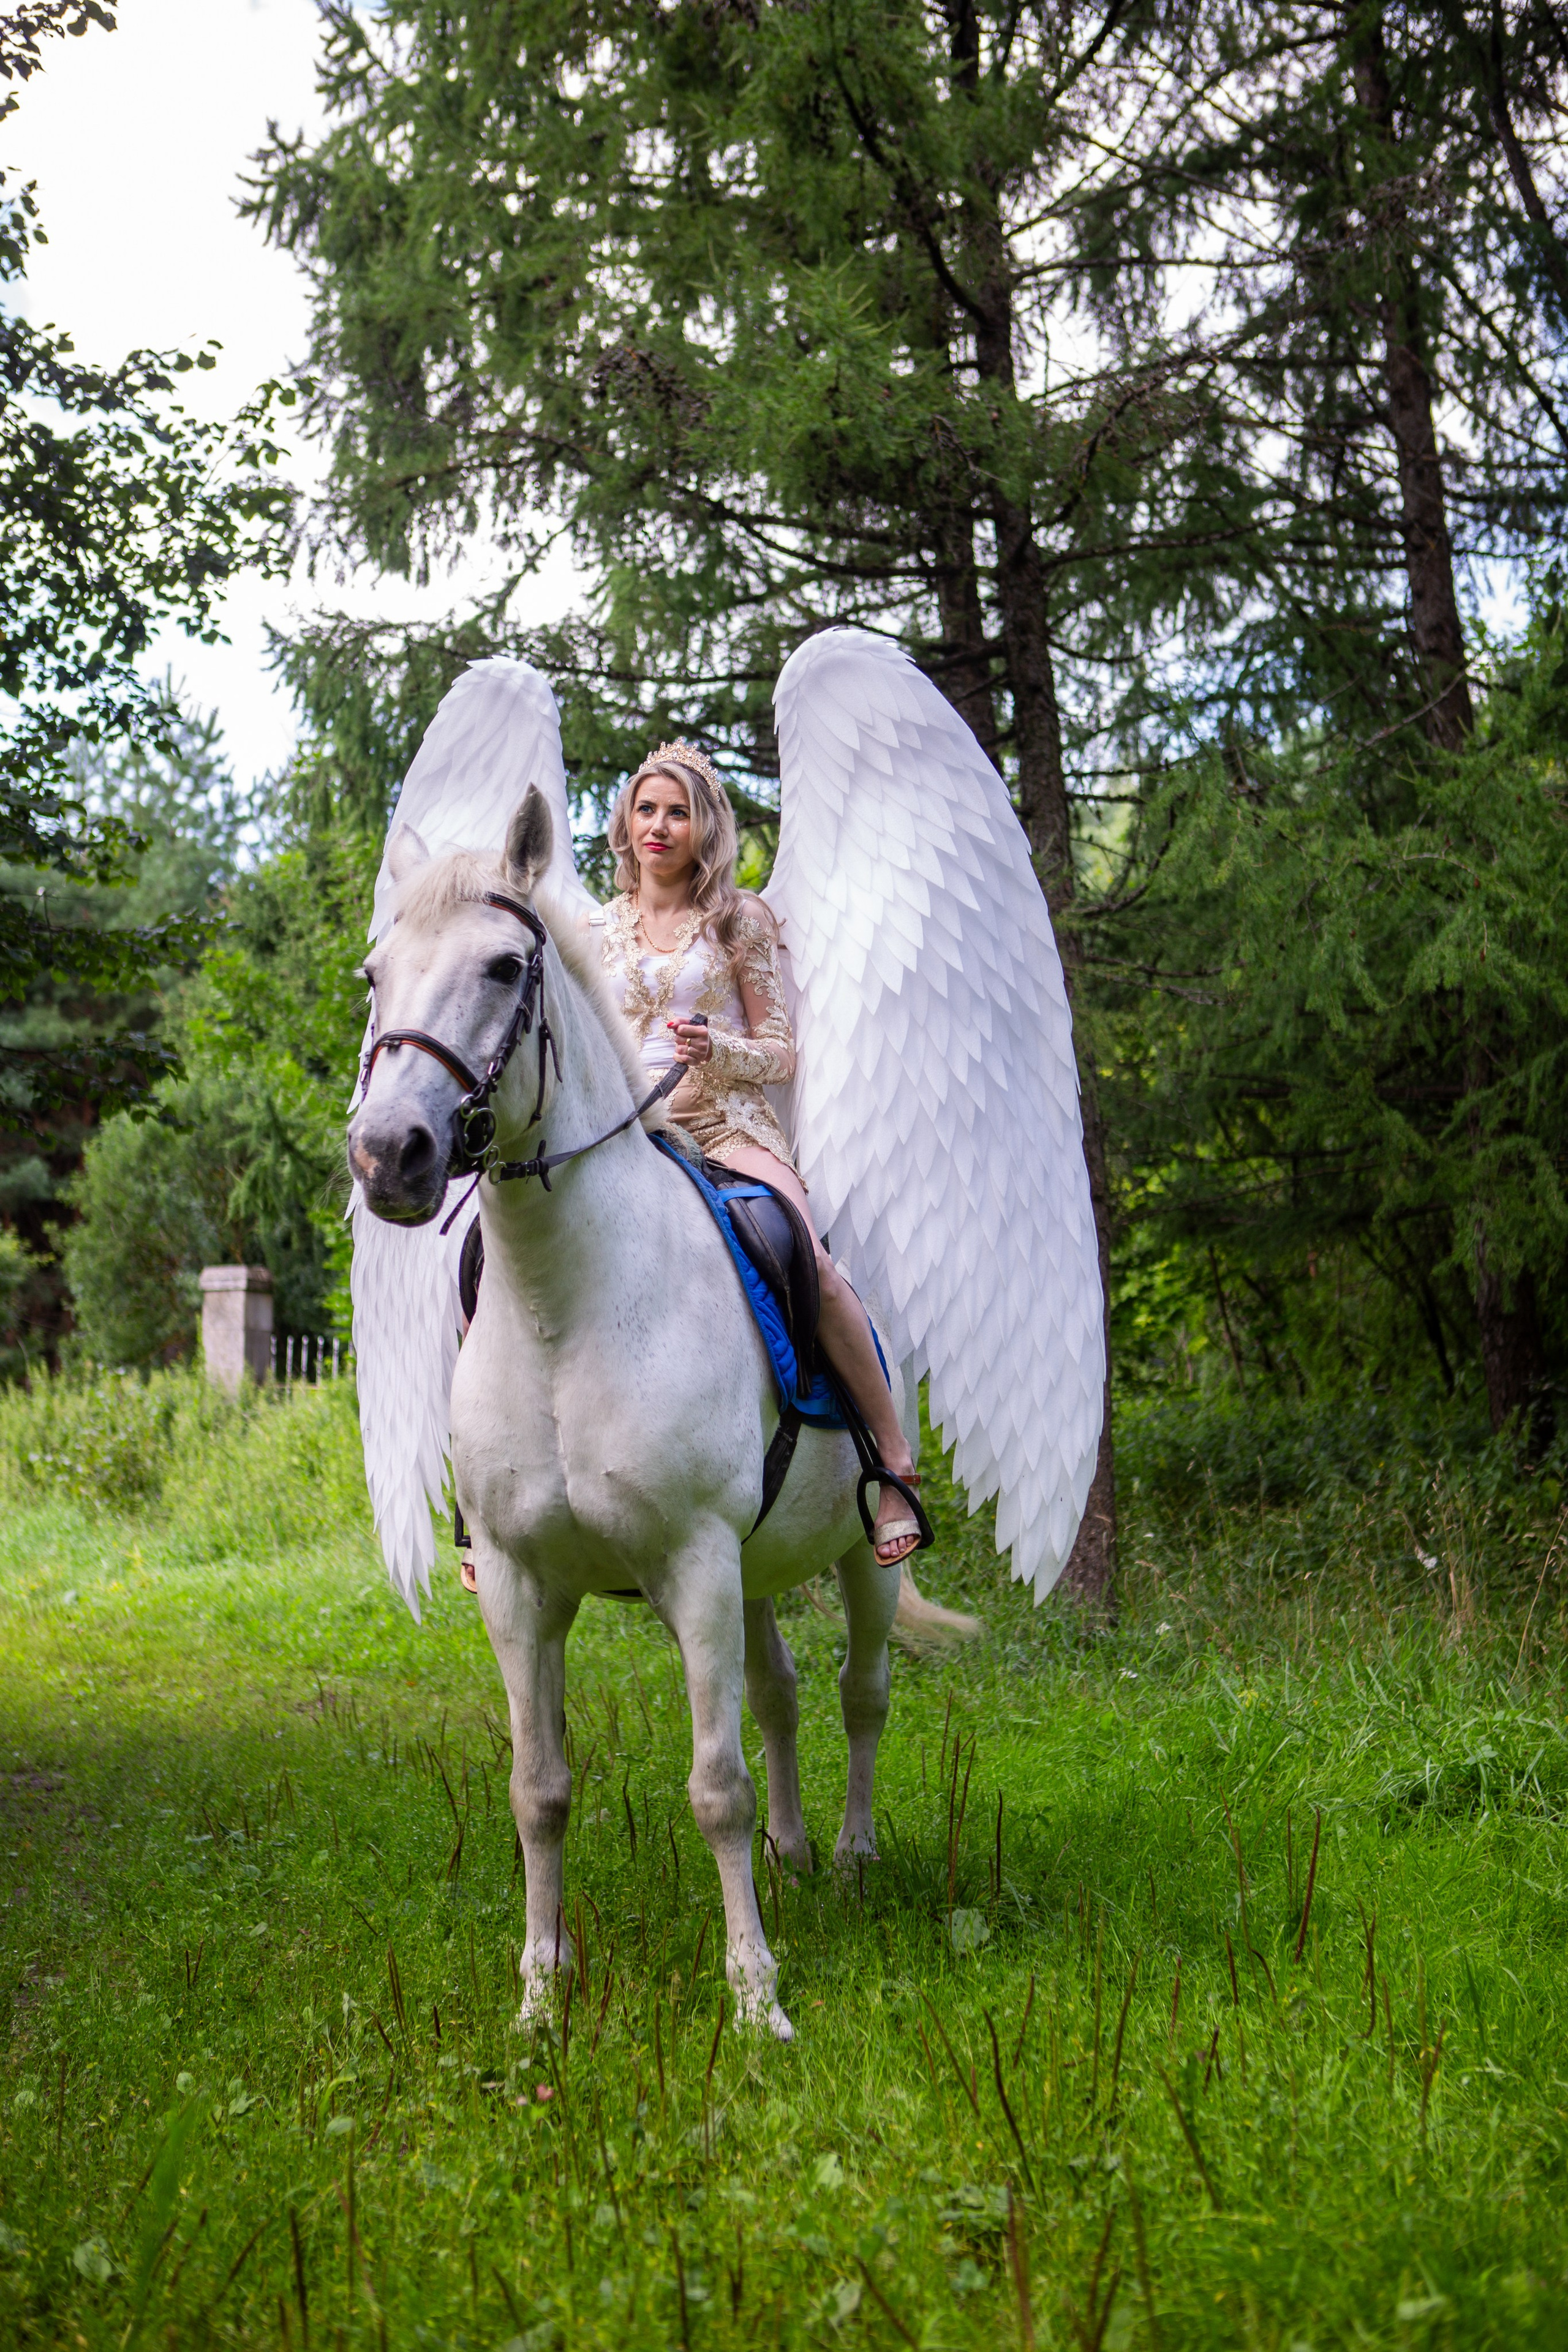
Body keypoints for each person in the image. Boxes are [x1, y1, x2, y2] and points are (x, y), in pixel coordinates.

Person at [593, 742, 924, 1567]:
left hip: (728, 1126)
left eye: (678, 812)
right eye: (646, 809)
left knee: (809, 1260)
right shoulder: (601, 926)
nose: (659, 826)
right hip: (629, 1134)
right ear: (626, 823)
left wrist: (719, 1051)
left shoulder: (739, 919)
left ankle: (891, 1463)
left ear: (704, 826)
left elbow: (782, 1051)